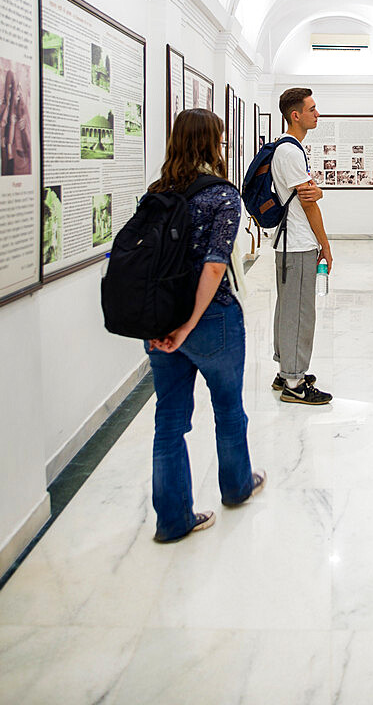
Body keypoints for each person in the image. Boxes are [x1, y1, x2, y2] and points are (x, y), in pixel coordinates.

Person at [145, 108, 264, 542]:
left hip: (159, 320)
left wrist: (169, 327)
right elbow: (215, 268)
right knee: (228, 408)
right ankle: (236, 487)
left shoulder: (157, 192)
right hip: (211, 319)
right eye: (220, 137)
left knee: (169, 420)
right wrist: (189, 324)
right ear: (211, 142)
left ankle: (172, 521)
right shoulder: (222, 196)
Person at [271, 87, 333, 404]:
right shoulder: (291, 152)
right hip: (297, 243)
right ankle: (294, 383)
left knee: (288, 308)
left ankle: (286, 371)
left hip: (289, 243)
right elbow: (309, 203)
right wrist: (326, 245)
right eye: (312, 109)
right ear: (296, 115)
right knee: (299, 312)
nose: (316, 113)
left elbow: (308, 193)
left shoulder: (287, 149)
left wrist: (316, 191)